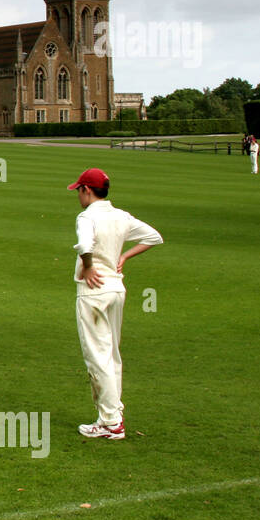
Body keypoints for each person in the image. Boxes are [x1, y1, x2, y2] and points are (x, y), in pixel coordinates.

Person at [67, 167, 163, 440]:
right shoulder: (121, 216)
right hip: (116, 289)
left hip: (93, 291)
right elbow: (154, 237)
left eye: (79, 191)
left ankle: (110, 422)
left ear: (87, 190)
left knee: (98, 356)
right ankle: (112, 414)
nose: (78, 196)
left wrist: (87, 266)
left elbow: (85, 246)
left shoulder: (87, 217)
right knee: (111, 354)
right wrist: (124, 257)